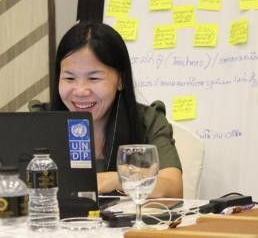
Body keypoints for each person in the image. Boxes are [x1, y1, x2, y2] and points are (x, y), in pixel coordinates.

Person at [32, 21, 183, 198]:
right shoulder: (39, 123)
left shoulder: (147, 121)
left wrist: (119, 179)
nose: (81, 91)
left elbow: (174, 189)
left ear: (120, 80)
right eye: (70, 78)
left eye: (94, 78)